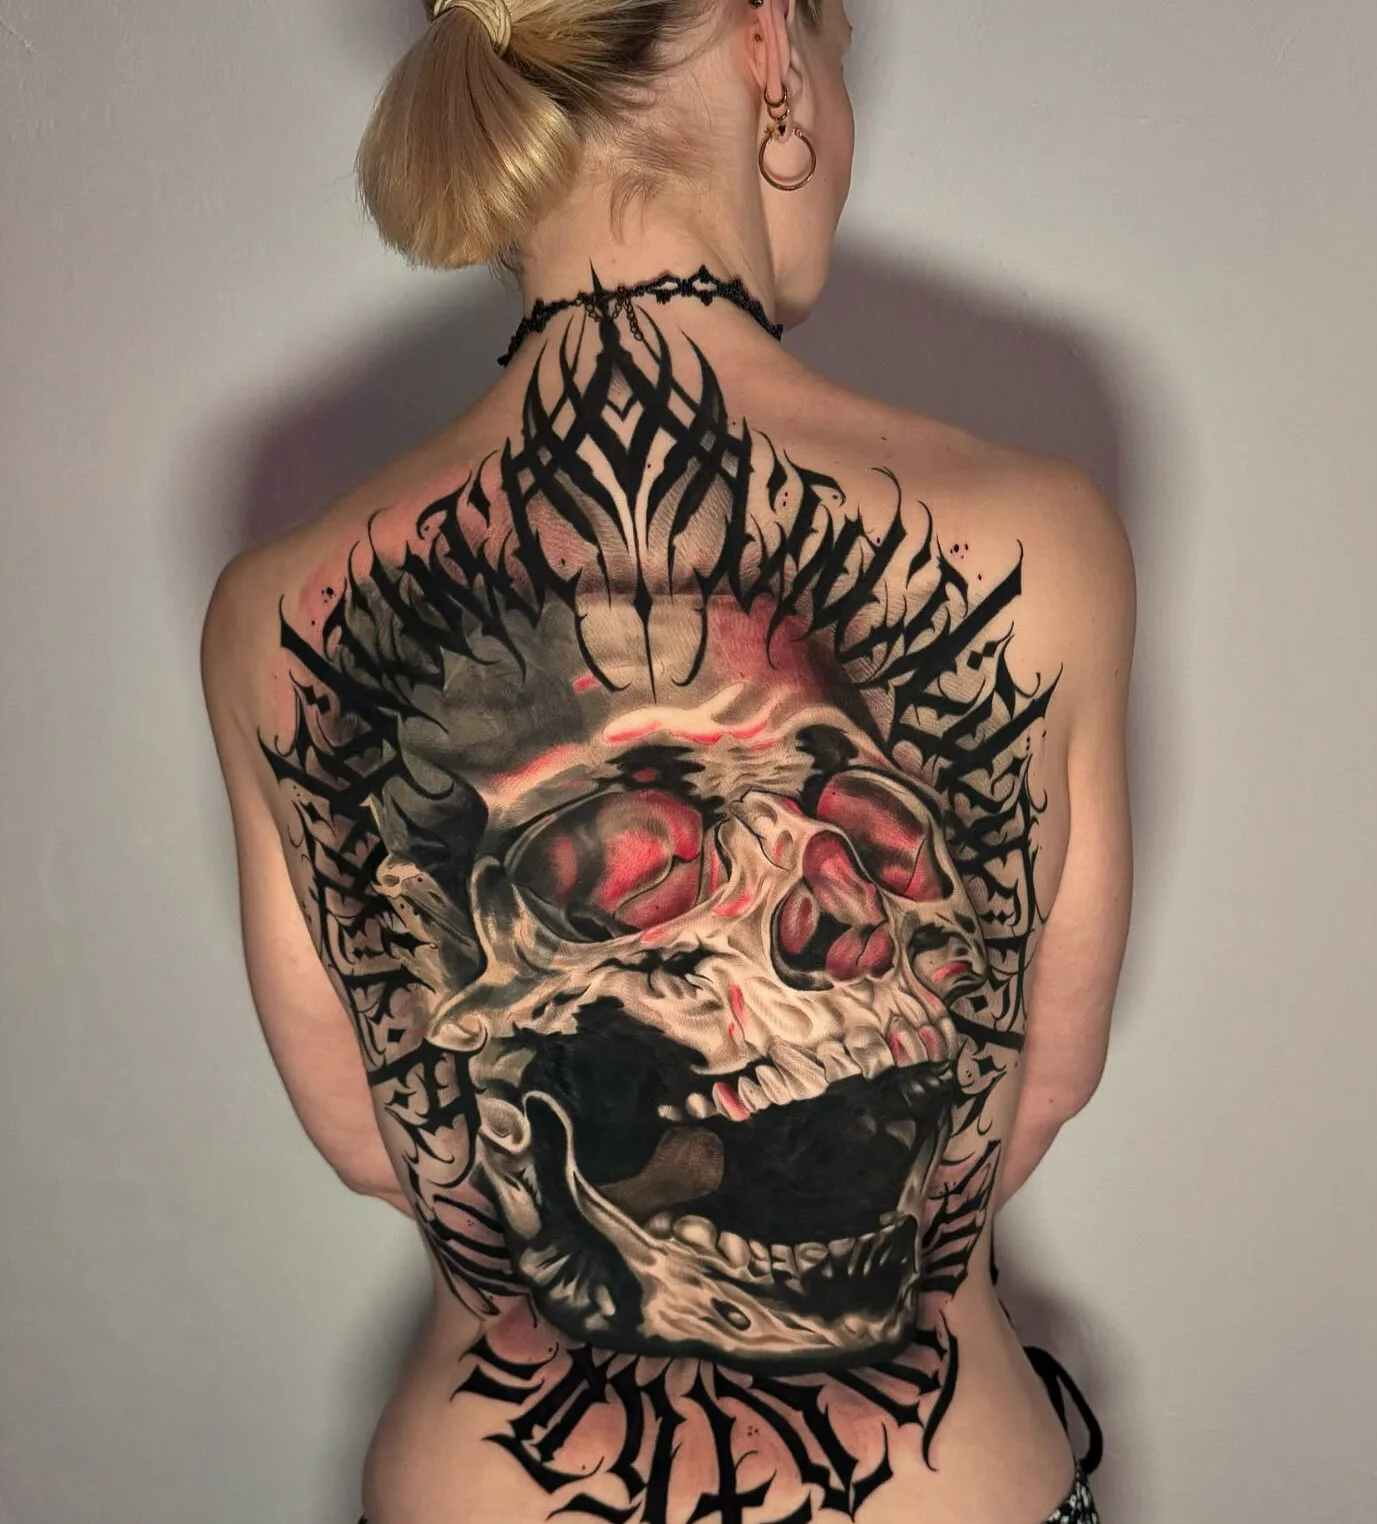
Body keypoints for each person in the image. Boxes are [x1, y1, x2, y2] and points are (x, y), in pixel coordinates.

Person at [202, 2, 1135, 1520]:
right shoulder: (1037, 534)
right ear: (772, 46)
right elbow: (1038, 1085)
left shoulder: (279, 607)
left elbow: (376, 1141)